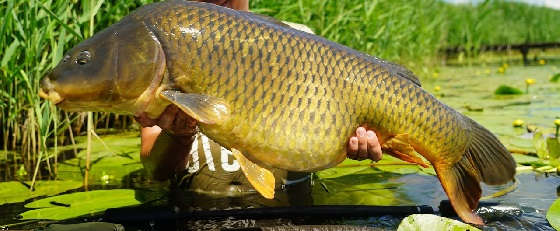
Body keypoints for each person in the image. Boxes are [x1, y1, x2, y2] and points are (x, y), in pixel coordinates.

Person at [134, 0, 383, 208]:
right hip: (197, 206)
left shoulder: (302, 40)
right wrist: (179, 135)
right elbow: (155, 170)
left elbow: (343, 132)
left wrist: (360, 140)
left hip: (290, 208)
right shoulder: (172, 38)